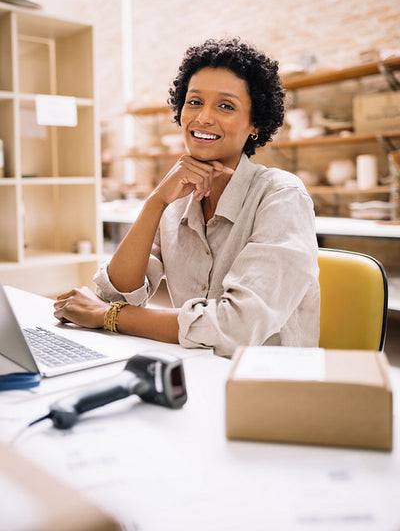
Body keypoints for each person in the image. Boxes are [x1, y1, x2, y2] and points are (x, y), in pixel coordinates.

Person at [54, 37, 320, 358]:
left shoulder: (281, 196)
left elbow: (236, 328)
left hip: (268, 385)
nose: (203, 117)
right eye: (194, 102)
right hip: (196, 369)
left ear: (255, 124)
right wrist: (156, 202)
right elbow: (117, 293)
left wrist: (108, 317)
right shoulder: (177, 198)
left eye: (225, 106)